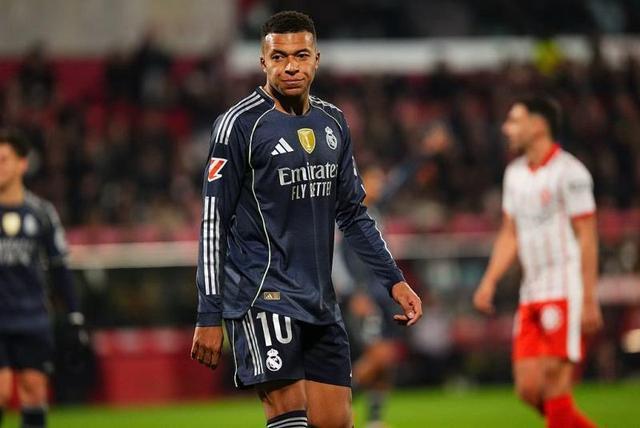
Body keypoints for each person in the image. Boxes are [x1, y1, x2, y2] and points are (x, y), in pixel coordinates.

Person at [190, 11, 422, 428]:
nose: (291, 66)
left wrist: (394, 280)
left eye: (300, 55)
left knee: (335, 421)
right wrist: (210, 313)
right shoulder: (238, 126)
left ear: (316, 59)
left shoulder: (332, 122)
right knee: (290, 416)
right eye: (279, 57)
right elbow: (213, 224)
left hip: (319, 300)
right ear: (263, 62)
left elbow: (353, 214)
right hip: (262, 295)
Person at [473, 96, 603, 428]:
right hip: (531, 290)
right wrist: (489, 280)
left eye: (514, 121)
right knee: (528, 389)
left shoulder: (570, 172)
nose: (506, 129)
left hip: (565, 288)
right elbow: (510, 234)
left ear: (538, 125)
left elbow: (587, 236)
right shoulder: (514, 174)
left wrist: (589, 297)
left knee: (554, 385)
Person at [0, 129, 86, 428]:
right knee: (1, 391)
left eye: (4, 160)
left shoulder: (42, 213)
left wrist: (74, 315)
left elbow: (60, 267)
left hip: (32, 317)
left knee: (34, 392)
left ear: (22, 164)